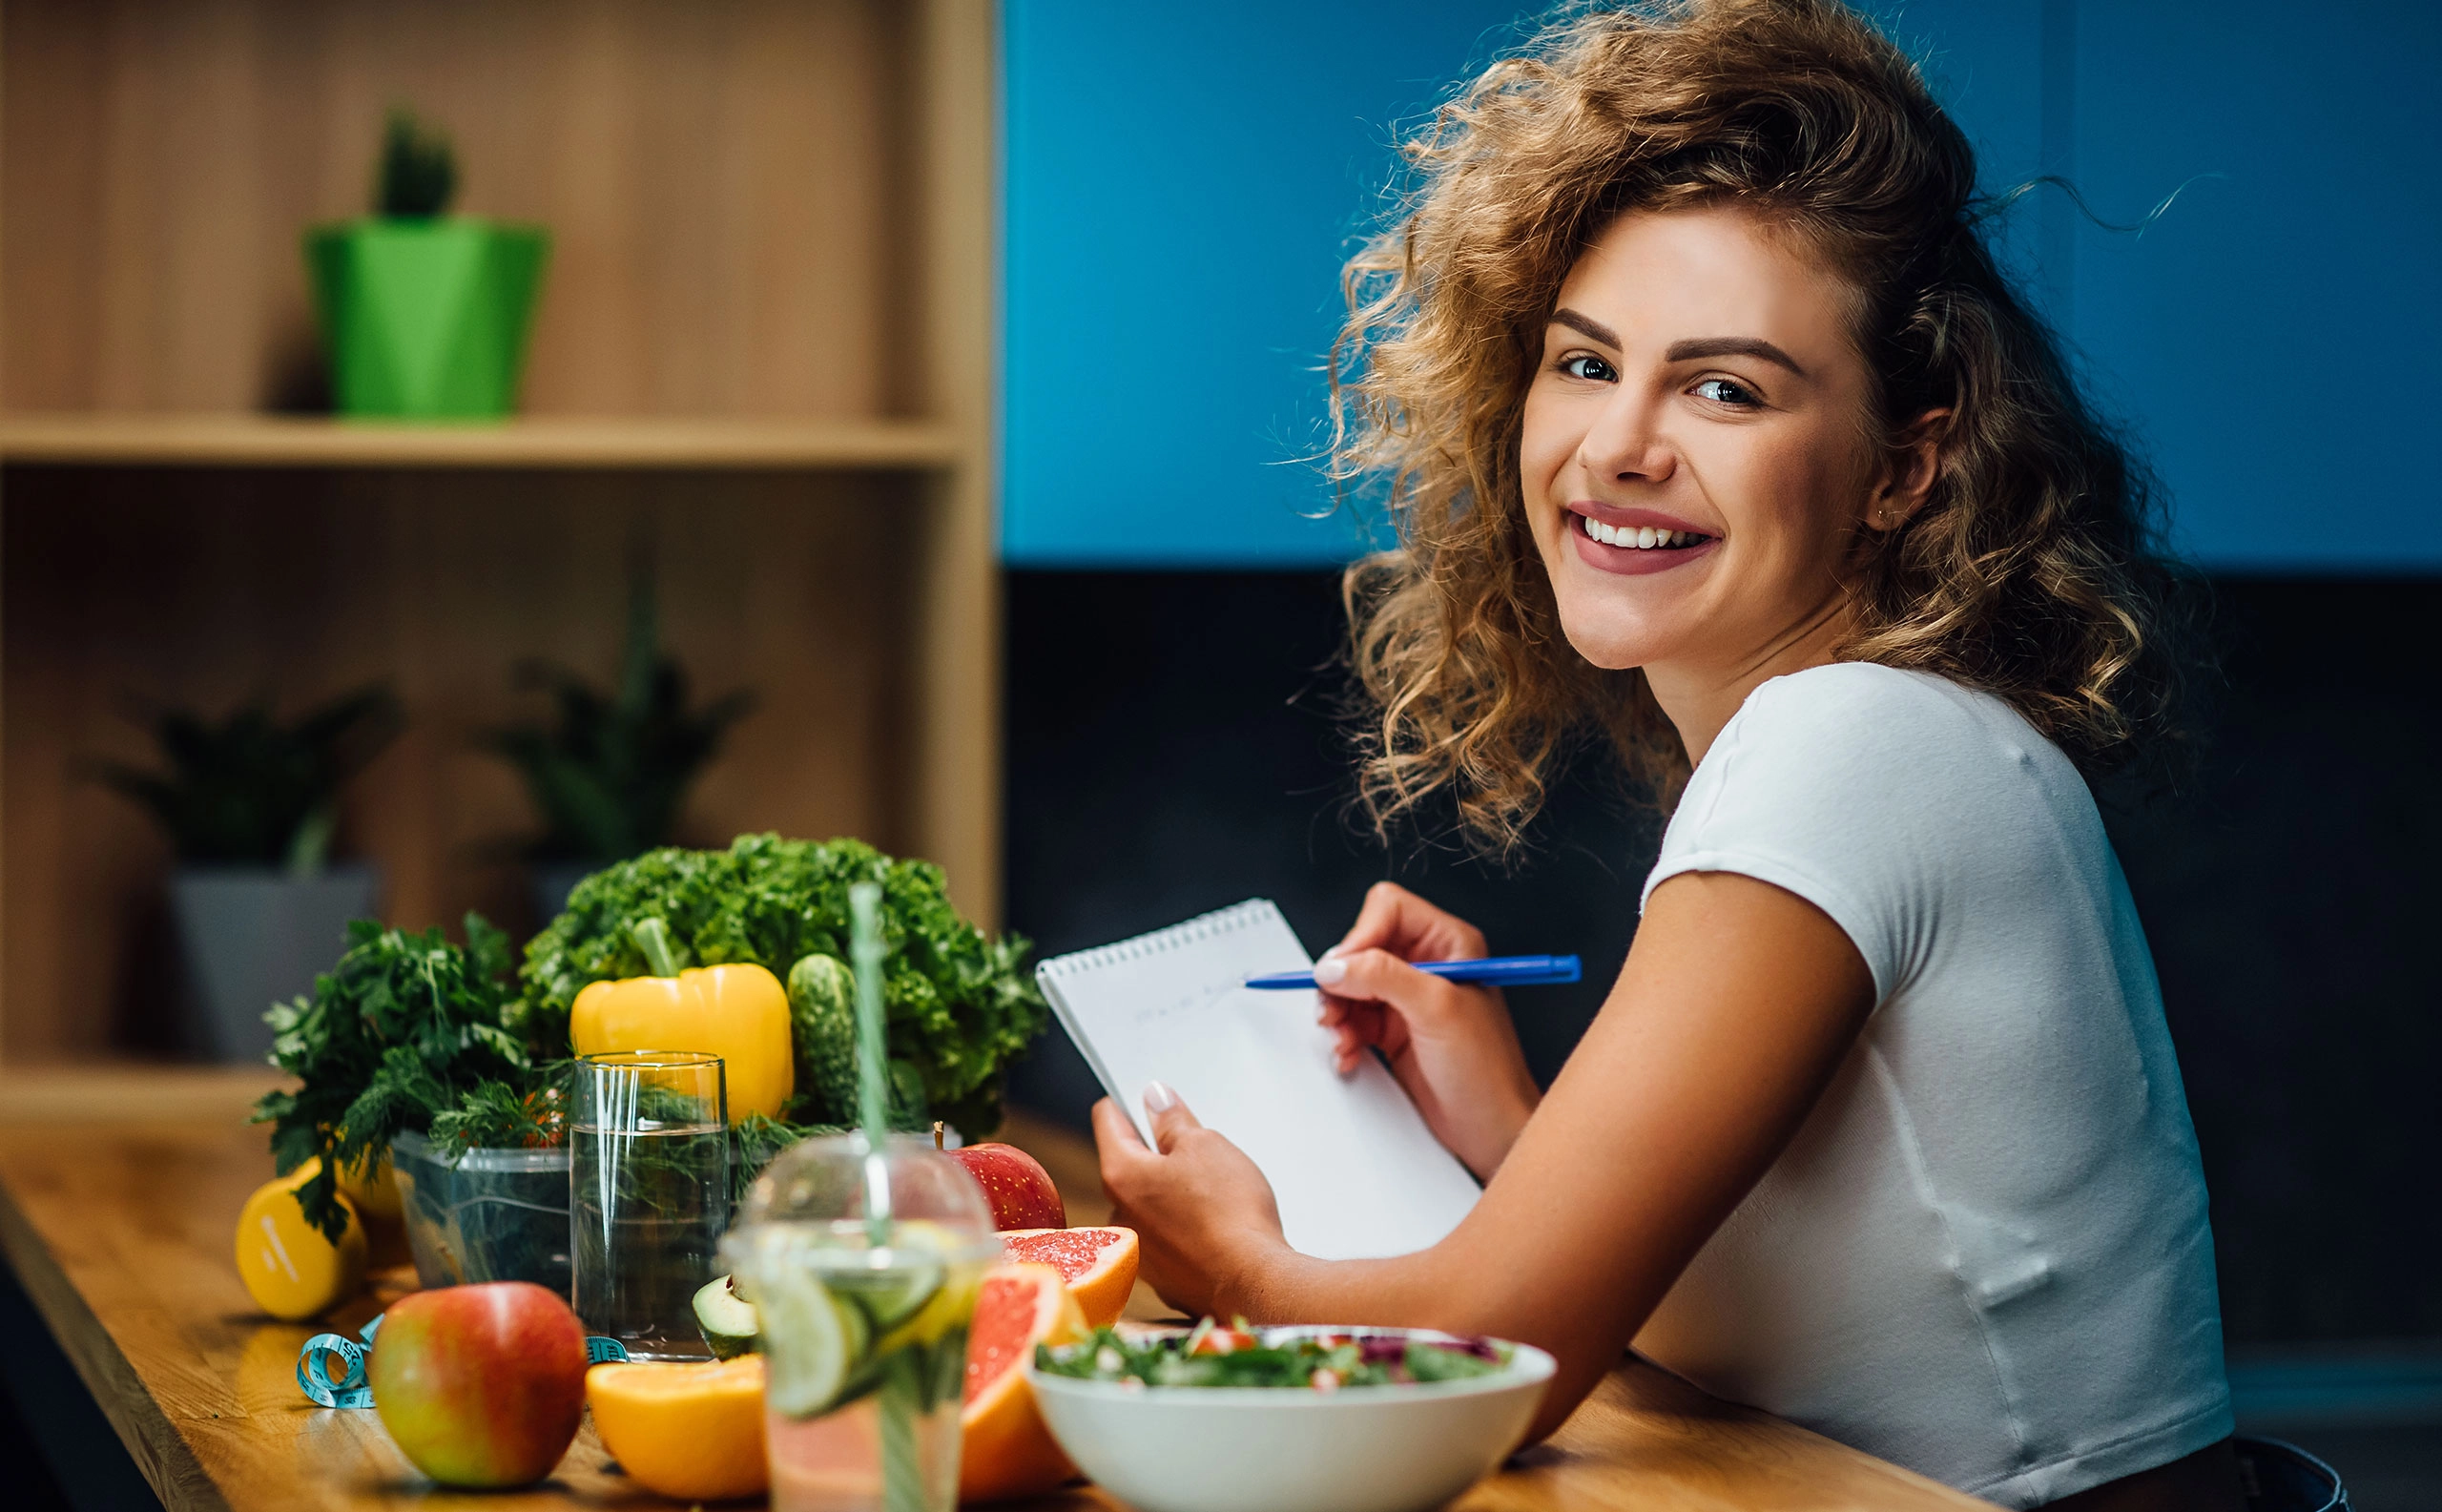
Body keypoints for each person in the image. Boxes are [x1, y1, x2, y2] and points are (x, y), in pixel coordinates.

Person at [1089, 3, 2242, 1508]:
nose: (1618, 444)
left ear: (1905, 463)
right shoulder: (1899, 732)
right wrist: (1508, 1125)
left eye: (1725, 388)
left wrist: (1233, 1259)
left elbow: (1483, 1370)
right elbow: (1769, 1312)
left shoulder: (1850, 745)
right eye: (1584, 364)